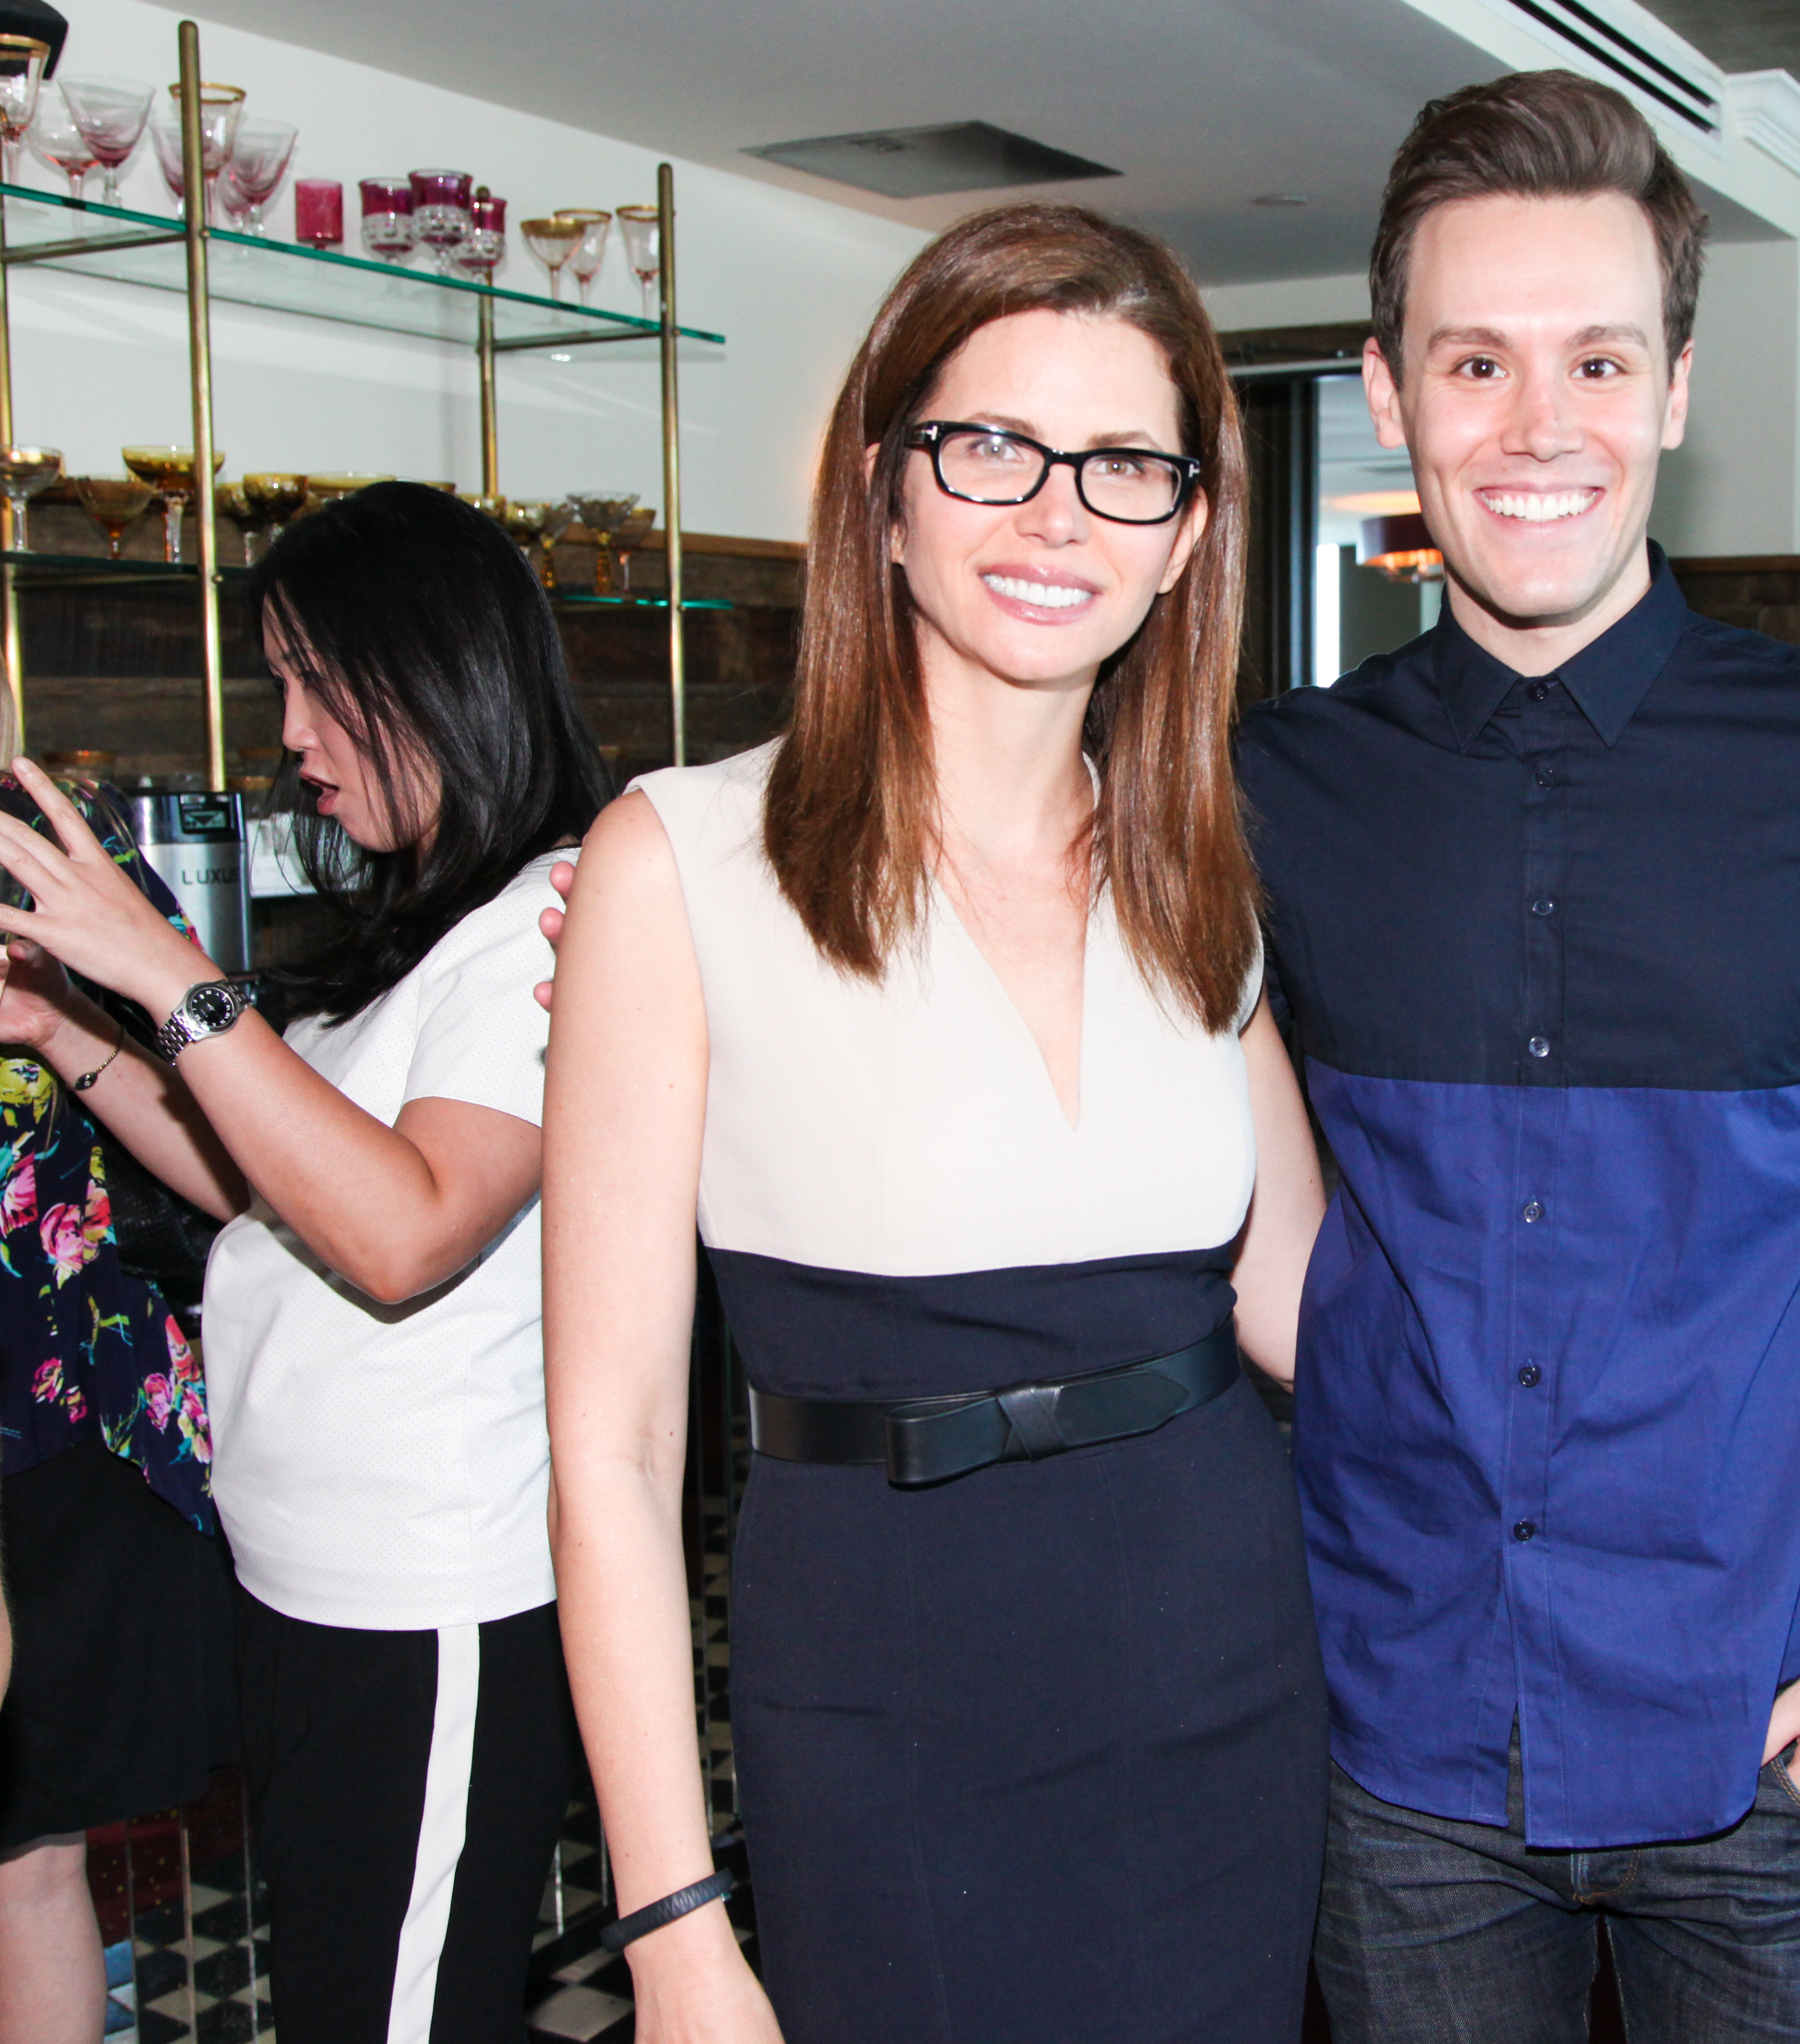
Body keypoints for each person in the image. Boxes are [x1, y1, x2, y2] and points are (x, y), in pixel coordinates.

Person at [1234, 74, 1800, 2043]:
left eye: (1596, 359)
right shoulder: (1266, 789)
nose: (1536, 429)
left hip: (1774, 1734)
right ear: (1385, 390)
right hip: (1399, 1739)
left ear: (1674, 387)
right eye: (1474, 361)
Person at [542, 203, 1330, 2044]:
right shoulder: (683, 860)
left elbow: (1305, 1304)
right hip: (894, 1696)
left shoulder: (1198, 873)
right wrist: (669, 1923)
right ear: (883, 486)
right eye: (990, 445)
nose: (1058, 513)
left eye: (1127, 463)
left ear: (1189, 532)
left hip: (1224, 1673)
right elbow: (610, 1437)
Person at [0, 480, 608, 2041]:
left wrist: (167, 969)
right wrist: (71, 1027)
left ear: (429, 674)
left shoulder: (553, 918)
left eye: (313, 685)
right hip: (308, 1592)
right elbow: (259, 1179)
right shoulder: (426, 918)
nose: (295, 734)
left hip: (433, 1606)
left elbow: (402, 1230)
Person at [0, 755, 235, 2044]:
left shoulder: (52, 837)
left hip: (57, 1430)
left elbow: (227, 1134)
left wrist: (60, 1024)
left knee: (28, 1865)